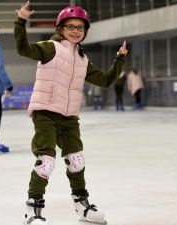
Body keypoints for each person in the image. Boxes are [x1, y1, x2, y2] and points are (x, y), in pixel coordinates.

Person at [14, 2, 128, 225]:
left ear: (85, 32)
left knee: (76, 161)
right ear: (60, 28)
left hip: (69, 116)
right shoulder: (50, 48)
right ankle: (33, 208)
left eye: (80, 27)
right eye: (70, 27)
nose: (75, 31)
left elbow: (105, 80)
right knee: (46, 161)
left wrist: (119, 59)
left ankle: (81, 205)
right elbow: (23, 49)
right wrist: (21, 22)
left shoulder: (83, 60)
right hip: (46, 111)